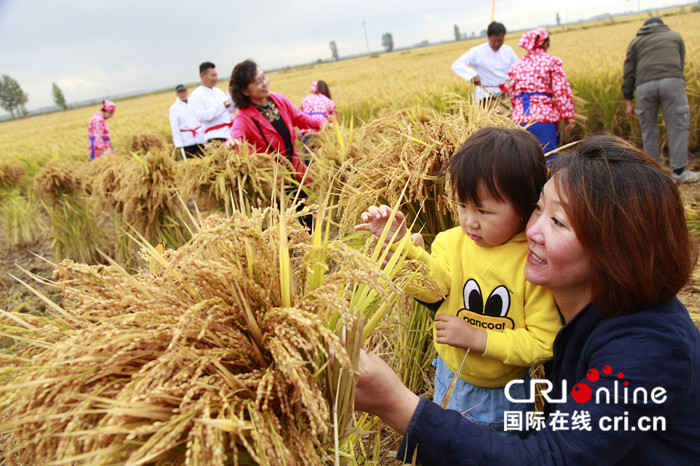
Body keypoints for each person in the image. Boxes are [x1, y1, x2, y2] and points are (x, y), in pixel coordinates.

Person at [354, 134, 700, 465]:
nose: (531, 231)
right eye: (538, 207)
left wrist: (396, 403)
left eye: (558, 221)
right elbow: (444, 291)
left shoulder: (648, 351)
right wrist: (407, 255)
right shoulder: (582, 307)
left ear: (616, 249)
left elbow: (551, 458)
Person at [355, 127, 561, 433]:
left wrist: (478, 339)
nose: (469, 221)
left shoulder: (532, 263)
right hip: (450, 375)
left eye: (483, 210)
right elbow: (432, 287)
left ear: (525, 209)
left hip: (503, 394)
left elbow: (544, 342)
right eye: (462, 205)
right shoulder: (451, 242)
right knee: (449, 443)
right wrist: (401, 246)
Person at [622, 17, 699, 183]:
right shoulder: (674, 36)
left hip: (644, 87)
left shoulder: (635, 43)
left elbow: (628, 72)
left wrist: (628, 99)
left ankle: (653, 174)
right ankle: (679, 171)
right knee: (677, 125)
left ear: (644, 28)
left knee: (648, 130)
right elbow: (680, 63)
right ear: (661, 25)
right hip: (672, 82)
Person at [229, 59, 324, 185]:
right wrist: (231, 143)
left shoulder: (280, 101)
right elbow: (237, 138)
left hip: (297, 173)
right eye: (258, 81)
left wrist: (322, 123)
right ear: (245, 91)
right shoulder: (244, 118)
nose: (264, 83)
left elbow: (301, 118)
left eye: (264, 77)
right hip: (274, 183)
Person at [508, 27, 575, 165]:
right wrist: (568, 116)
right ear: (545, 43)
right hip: (543, 118)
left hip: (520, 118)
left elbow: (513, 94)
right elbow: (561, 90)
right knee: (548, 161)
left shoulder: (516, 66)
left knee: (523, 162)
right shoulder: (552, 62)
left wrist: (520, 110)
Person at [451, 22, 518, 111]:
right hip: (485, 96)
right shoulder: (477, 52)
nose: (497, 44)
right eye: (494, 40)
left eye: (500, 40)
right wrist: (472, 75)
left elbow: (519, 67)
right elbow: (457, 65)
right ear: (488, 37)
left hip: (504, 94)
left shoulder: (508, 51)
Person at [188, 62, 236, 144]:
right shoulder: (196, 95)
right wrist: (222, 107)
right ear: (202, 75)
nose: (215, 78)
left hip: (229, 134)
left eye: (216, 75)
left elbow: (231, 110)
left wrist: (232, 96)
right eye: (212, 75)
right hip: (214, 137)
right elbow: (200, 117)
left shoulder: (218, 91)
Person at [168, 84, 205, 159]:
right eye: (180, 92)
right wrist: (178, 143)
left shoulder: (194, 103)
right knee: (191, 161)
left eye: (183, 91)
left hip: (199, 136)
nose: (182, 94)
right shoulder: (174, 108)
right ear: (177, 94)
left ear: (187, 91)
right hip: (186, 140)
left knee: (204, 157)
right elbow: (174, 127)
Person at [299, 80, 336, 151]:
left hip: (306, 134)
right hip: (321, 132)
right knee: (324, 157)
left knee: (309, 158)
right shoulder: (328, 101)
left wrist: (299, 133)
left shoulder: (305, 100)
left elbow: (299, 117)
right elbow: (333, 120)